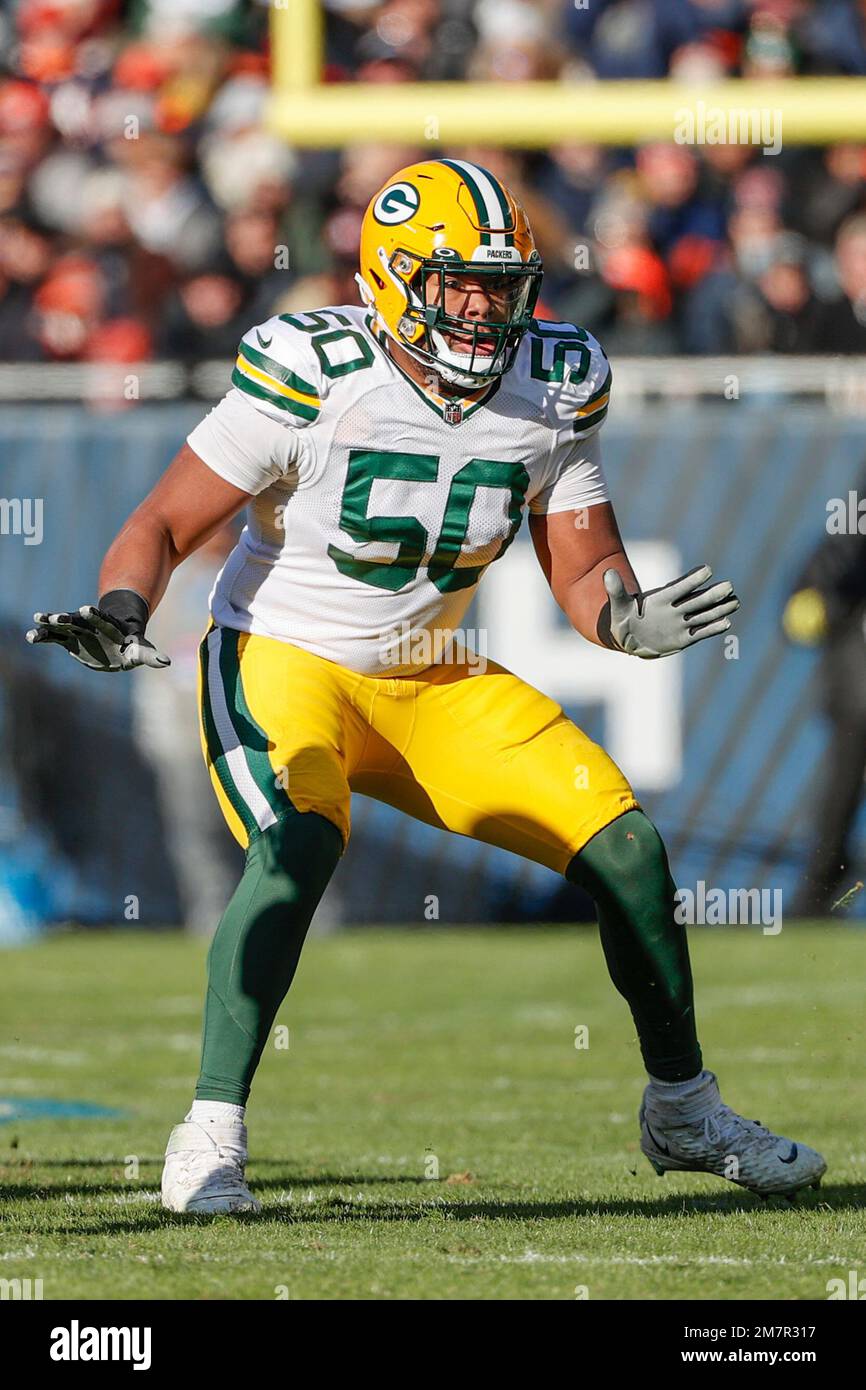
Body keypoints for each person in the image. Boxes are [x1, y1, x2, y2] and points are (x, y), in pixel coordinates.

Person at [28, 159, 825, 1212]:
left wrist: (625, 619)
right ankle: (210, 1130)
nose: (486, 307)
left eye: (500, 284)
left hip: (429, 674)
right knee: (295, 841)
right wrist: (124, 609)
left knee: (627, 848)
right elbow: (161, 524)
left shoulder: (555, 377)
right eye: (461, 283)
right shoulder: (313, 368)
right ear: (397, 278)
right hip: (282, 658)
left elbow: (582, 566)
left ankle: (682, 1109)